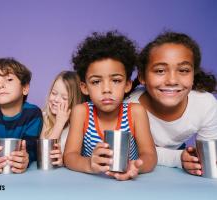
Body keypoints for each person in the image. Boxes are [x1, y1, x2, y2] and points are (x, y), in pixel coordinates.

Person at [64, 31, 157, 181]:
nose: (106, 89)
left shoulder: (135, 112)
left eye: (116, 80)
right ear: (84, 87)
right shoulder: (81, 112)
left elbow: (150, 155)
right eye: (96, 81)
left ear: (127, 85)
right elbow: (69, 156)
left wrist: (136, 166)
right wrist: (89, 164)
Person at [126, 31, 217, 176]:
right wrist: (177, 158)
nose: (172, 80)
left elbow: (209, 155)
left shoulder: (205, 104)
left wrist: (196, 159)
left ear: (194, 74)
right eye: (160, 70)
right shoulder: (128, 107)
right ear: (143, 76)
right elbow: (131, 152)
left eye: (184, 70)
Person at [0, 58, 43, 174]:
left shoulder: (33, 113)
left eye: (9, 79)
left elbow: (31, 149)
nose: (1, 85)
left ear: (25, 88)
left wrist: (25, 158)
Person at [40, 71, 83, 166]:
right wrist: (59, 123)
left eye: (64, 98)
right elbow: (44, 155)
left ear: (74, 102)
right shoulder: (44, 117)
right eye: (54, 93)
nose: (56, 100)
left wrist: (63, 162)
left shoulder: (78, 124)